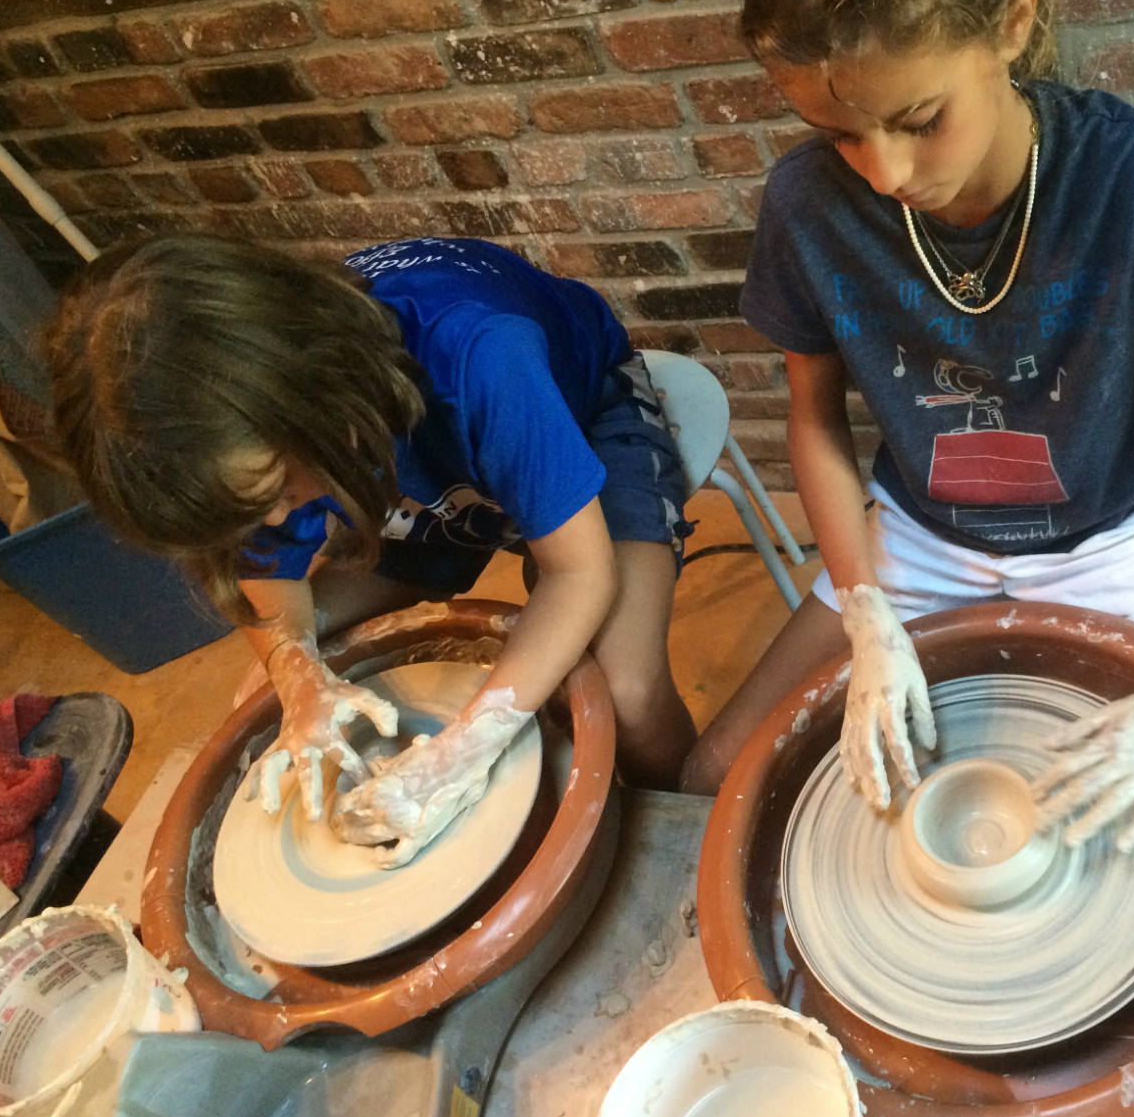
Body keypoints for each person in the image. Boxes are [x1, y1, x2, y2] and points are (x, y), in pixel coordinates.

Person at [681, 0, 1134, 876]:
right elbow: (815, 424)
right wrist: (865, 611)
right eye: (840, 133)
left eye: (920, 121)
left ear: (1014, 21)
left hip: (1124, 527)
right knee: (707, 783)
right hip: (922, 535)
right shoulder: (808, 203)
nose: (886, 172)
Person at [45, 235, 697, 842]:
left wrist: (462, 750)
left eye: (276, 492)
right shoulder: (249, 431)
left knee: (626, 690)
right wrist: (299, 676)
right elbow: (268, 587)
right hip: (398, 466)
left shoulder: (481, 354)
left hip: (583, 414)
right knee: (266, 690)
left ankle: (685, 829)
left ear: (308, 396)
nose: (275, 523)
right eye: (248, 514)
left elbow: (578, 575)